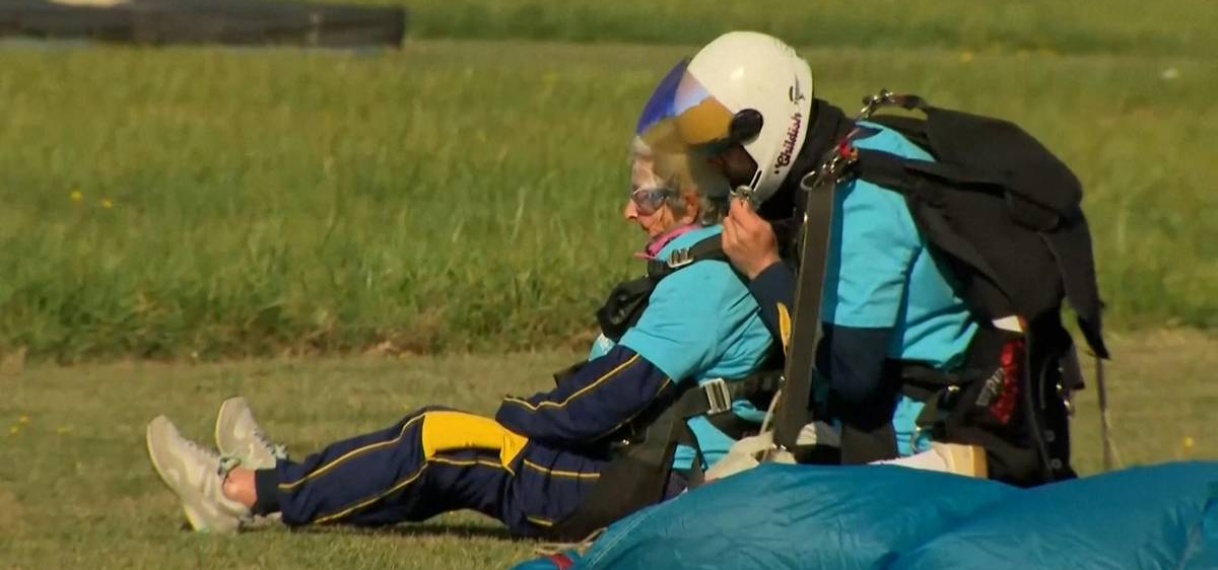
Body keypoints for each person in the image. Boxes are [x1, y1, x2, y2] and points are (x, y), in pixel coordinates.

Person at [143, 147, 779, 536]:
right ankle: (280, 482)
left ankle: (238, 493)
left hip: (651, 487)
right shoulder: (700, 266)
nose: (628, 211)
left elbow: (607, 399)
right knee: (440, 446)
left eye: (643, 195)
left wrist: (516, 417)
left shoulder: (707, 282)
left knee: (436, 442)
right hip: (640, 470)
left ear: (690, 202)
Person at [632, 30, 1087, 482]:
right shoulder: (860, 146)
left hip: (928, 443)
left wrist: (765, 271)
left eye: (723, 155)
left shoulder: (859, 201)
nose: (718, 170)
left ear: (763, 129)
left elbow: (852, 384)